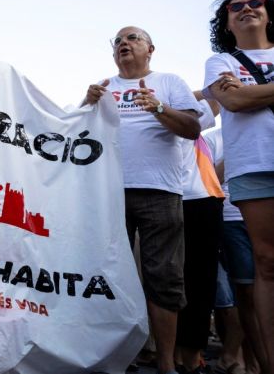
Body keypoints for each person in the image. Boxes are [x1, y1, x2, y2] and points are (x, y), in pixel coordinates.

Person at [83, 26, 201, 374]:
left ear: (151, 48)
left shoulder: (169, 82)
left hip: (159, 191)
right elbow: (78, 134)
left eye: (132, 38)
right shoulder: (103, 88)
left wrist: (159, 108)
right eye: (118, 40)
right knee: (108, 275)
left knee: (163, 276)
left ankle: (166, 363)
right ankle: (118, 358)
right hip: (108, 193)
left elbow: (193, 129)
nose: (124, 43)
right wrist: (86, 105)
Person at [203, 0, 274, 374]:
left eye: (255, 3)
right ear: (227, 22)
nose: (246, 9)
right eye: (236, 7)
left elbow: (245, 97)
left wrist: (250, 92)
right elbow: (232, 102)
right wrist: (244, 95)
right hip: (255, 164)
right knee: (267, 263)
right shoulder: (219, 62)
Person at [174, 93, 224, 374]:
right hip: (186, 200)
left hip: (204, 199)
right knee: (188, 282)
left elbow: (213, 99)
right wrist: (204, 92)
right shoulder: (182, 119)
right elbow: (215, 97)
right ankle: (183, 358)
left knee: (199, 283)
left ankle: (189, 357)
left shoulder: (190, 121)